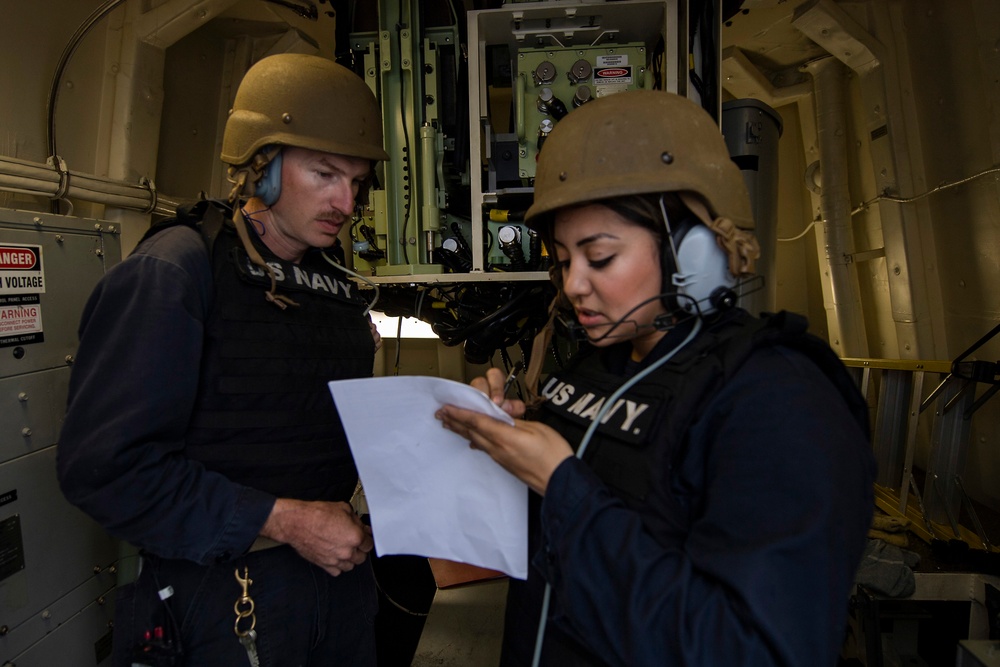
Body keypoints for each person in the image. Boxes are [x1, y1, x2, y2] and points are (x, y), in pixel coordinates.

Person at [436, 90, 876, 667]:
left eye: (599, 257)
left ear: (692, 253)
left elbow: (750, 651)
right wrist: (494, 443)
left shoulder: (777, 400)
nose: (572, 286)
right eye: (565, 260)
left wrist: (562, 484)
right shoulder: (601, 364)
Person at [57, 53, 389, 666]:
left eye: (358, 181)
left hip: (336, 585)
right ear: (260, 166)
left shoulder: (334, 282)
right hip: (224, 597)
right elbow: (104, 469)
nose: (346, 201)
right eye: (324, 174)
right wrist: (284, 521)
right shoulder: (175, 272)